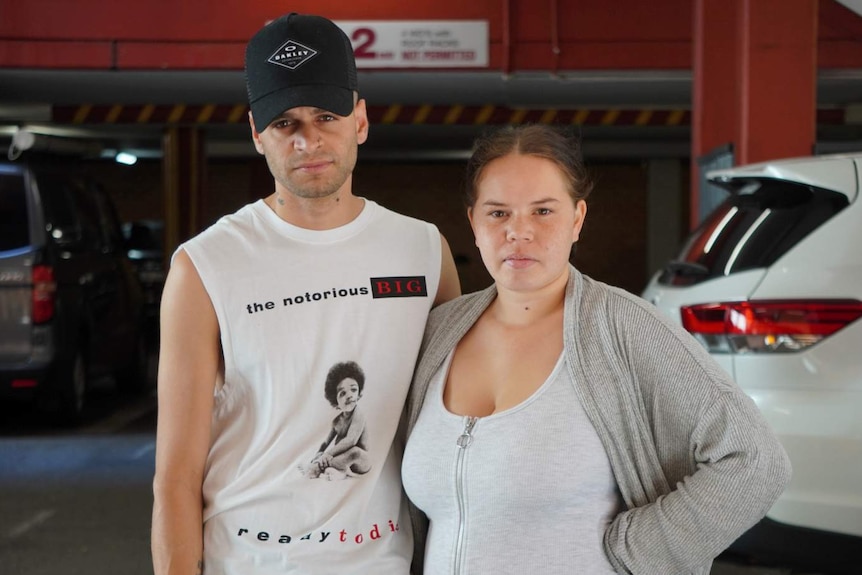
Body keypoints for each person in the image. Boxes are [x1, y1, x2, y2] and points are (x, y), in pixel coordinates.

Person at [401, 124, 791, 575]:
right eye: (498, 213)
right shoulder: (438, 333)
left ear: (577, 219)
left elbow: (755, 461)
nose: (519, 232)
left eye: (543, 211)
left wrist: (639, 552)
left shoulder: (624, 328)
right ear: (473, 223)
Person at [151, 12, 460, 575]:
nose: (308, 140)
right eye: (285, 122)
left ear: (360, 120)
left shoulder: (422, 251)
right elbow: (176, 472)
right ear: (256, 134)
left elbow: (451, 424)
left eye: (326, 116)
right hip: (246, 559)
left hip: (381, 561)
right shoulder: (205, 265)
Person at [298, 361, 370, 480]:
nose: (349, 395)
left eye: (353, 390)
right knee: (323, 455)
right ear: (336, 403)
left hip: (360, 461)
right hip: (342, 458)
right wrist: (319, 454)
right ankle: (334, 470)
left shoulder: (359, 414)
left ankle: (316, 469)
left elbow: (351, 440)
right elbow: (326, 443)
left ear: (359, 394)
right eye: (342, 393)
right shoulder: (337, 421)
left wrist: (328, 454)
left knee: (355, 451)